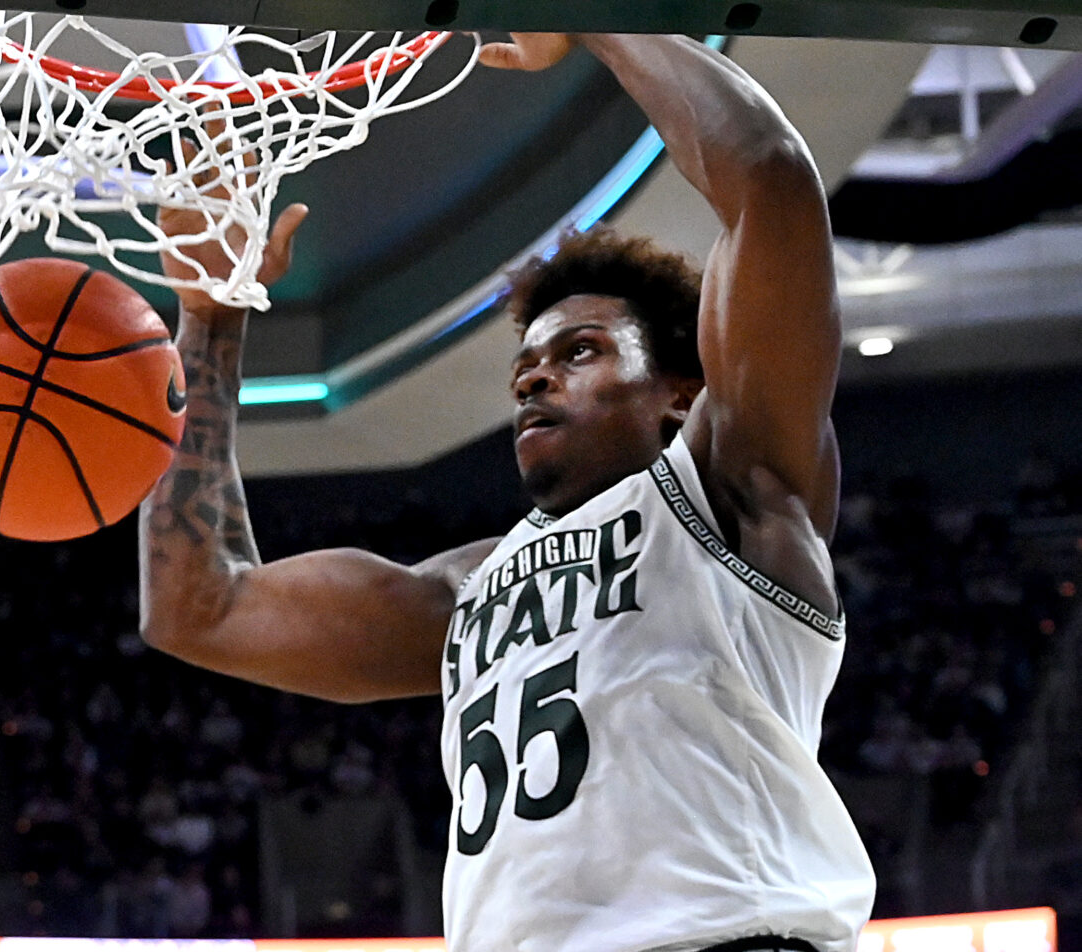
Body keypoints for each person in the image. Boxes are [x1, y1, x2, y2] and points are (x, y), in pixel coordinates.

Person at [139, 32, 875, 952]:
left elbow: (770, 181)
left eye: (580, 352)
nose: (533, 378)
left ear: (681, 394)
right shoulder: (464, 592)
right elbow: (197, 608)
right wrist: (210, 315)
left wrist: (592, 17)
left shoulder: (732, 487)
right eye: (525, 365)